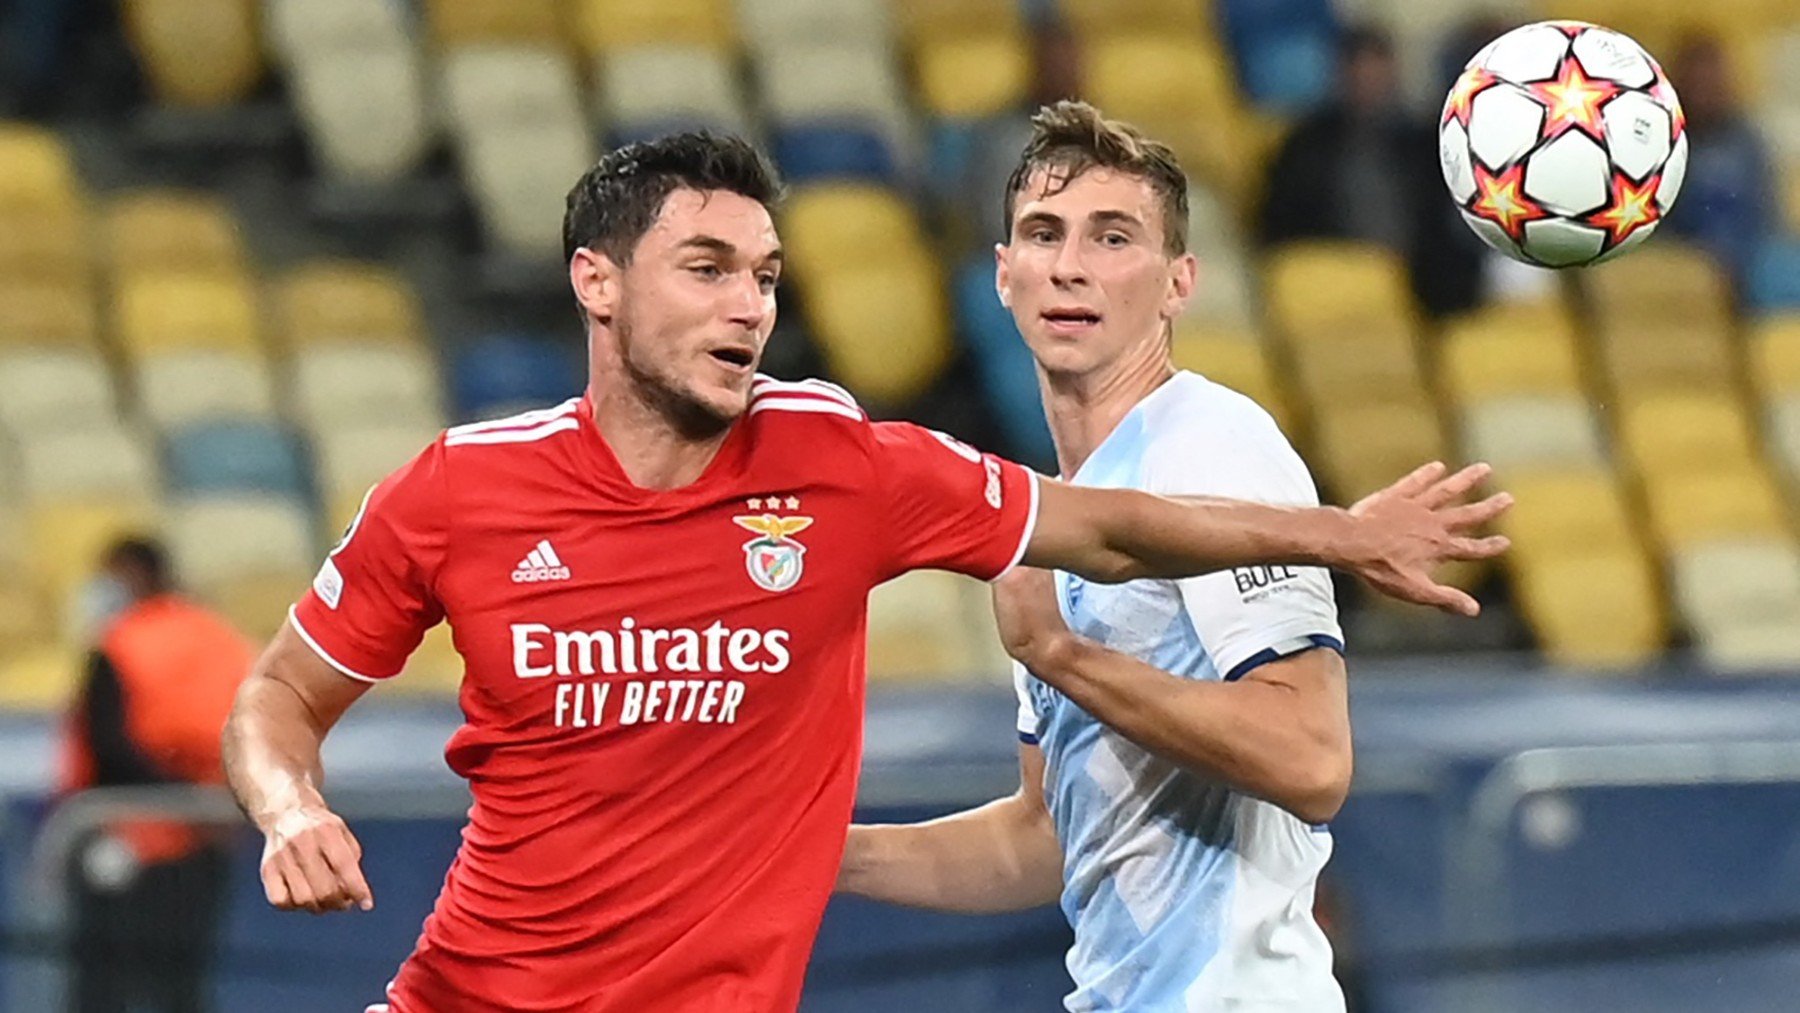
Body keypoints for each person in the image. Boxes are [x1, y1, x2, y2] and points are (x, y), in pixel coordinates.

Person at [220, 131, 1509, 1013]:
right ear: (594, 283)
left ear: (1180, 280)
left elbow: (1117, 528)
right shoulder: (463, 486)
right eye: (710, 269)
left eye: (768, 277)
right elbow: (274, 700)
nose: (750, 307)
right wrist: (292, 810)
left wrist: (1344, 533)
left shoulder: (844, 462)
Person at [837, 102, 1443, 1010]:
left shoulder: (1213, 447)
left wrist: (1065, 657)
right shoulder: (1056, 516)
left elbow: (1313, 760)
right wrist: (818, 854)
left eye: (1113, 237)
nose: (1071, 265)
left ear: (1178, 281)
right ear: (1005, 275)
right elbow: (1042, 838)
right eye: (1044, 234)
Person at [60, 536, 251, 1013]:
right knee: (182, 988)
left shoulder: (121, 644)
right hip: (207, 836)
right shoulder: (221, 638)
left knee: (103, 990)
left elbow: (110, 747)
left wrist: (172, 797)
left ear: (136, 575)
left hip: (125, 839)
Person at [1258, 26, 1483, 317]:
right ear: (1341, 76)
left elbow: (1446, 221)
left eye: (1376, 75)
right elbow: (1281, 224)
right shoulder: (1305, 147)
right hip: (1336, 281)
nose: (1368, 85)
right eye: (1359, 75)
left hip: (1421, 286)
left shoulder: (1425, 145)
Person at [1660, 32, 1777, 287]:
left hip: (1752, 259)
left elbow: (1765, 212)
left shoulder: (1747, 141)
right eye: (1698, 82)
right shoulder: (1665, 145)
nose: (1707, 90)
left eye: (1713, 80)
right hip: (1688, 264)